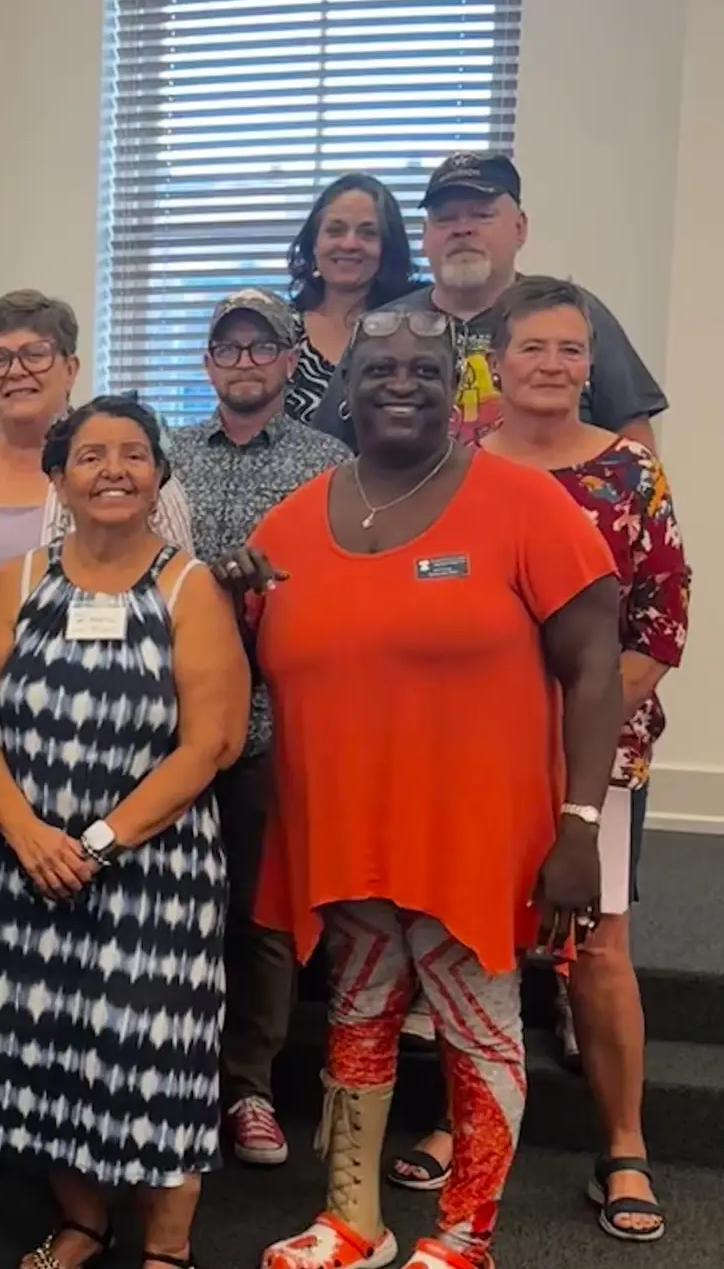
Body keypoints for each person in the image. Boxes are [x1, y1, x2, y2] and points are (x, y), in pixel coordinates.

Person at [227, 309, 623, 1269]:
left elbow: (597, 669)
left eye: (424, 368)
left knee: (478, 1029)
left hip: (474, 832)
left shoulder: (526, 506)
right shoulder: (287, 524)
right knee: (357, 1023)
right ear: (346, 384)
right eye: (378, 367)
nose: (400, 383)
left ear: (460, 383)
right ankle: (352, 1220)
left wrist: (580, 824)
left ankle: (463, 1236)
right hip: (342, 831)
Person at [385, 278, 689, 1244]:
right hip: (473, 756)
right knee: (478, 937)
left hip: (596, 759)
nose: (552, 367)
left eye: (570, 351)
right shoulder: (454, 467)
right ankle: (461, 1117)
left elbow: (660, 626)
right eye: (533, 350)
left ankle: (625, 1145)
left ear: (589, 365)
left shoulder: (630, 473)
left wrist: (573, 739)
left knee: (596, 948)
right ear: (497, 363)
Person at [0, 396, 248, 1269]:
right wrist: (29, 836)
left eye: (133, 455)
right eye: (92, 456)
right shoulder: (16, 583)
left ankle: (166, 1249)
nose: (113, 470)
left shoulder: (191, 587)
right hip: (14, 867)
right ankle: (82, 1222)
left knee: (154, 1057)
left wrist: (97, 843)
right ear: (58, 479)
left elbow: (209, 743)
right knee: (50, 1053)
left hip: (150, 874)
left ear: (158, 477)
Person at [0, 291, 196, 1108]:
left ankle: (71, 1118)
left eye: (37, 355)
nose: (16, 372)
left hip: (99, 767)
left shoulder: (133, 470)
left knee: (79, 960)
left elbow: (176, 610)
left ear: (70, 366)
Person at [171, 289, 348, 1170]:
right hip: (166, 721)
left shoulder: (331, 464)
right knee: (171, 904)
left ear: (289, 362)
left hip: (276, 719)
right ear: (208, 364)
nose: (245, 362)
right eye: (228, 349)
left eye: (261, 348)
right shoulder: (163, 456)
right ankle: (168, 1071)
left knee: (261, 911)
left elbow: (348, 588)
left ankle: (247, 1087)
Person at [311, 152, 666, 451]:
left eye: (482, 215)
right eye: (445, 218)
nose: (462, 229)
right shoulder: (381, 328)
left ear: (520, 228)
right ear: (426, 236)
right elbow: (328, 448)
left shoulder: (571, 316)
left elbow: (634, 445)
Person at [284, 173, 421, 428]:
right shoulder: (280, 331)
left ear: (387, 248)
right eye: (335, 230)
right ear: (314, 244)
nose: (349, 244)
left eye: (367, 233)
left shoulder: (415, 330)